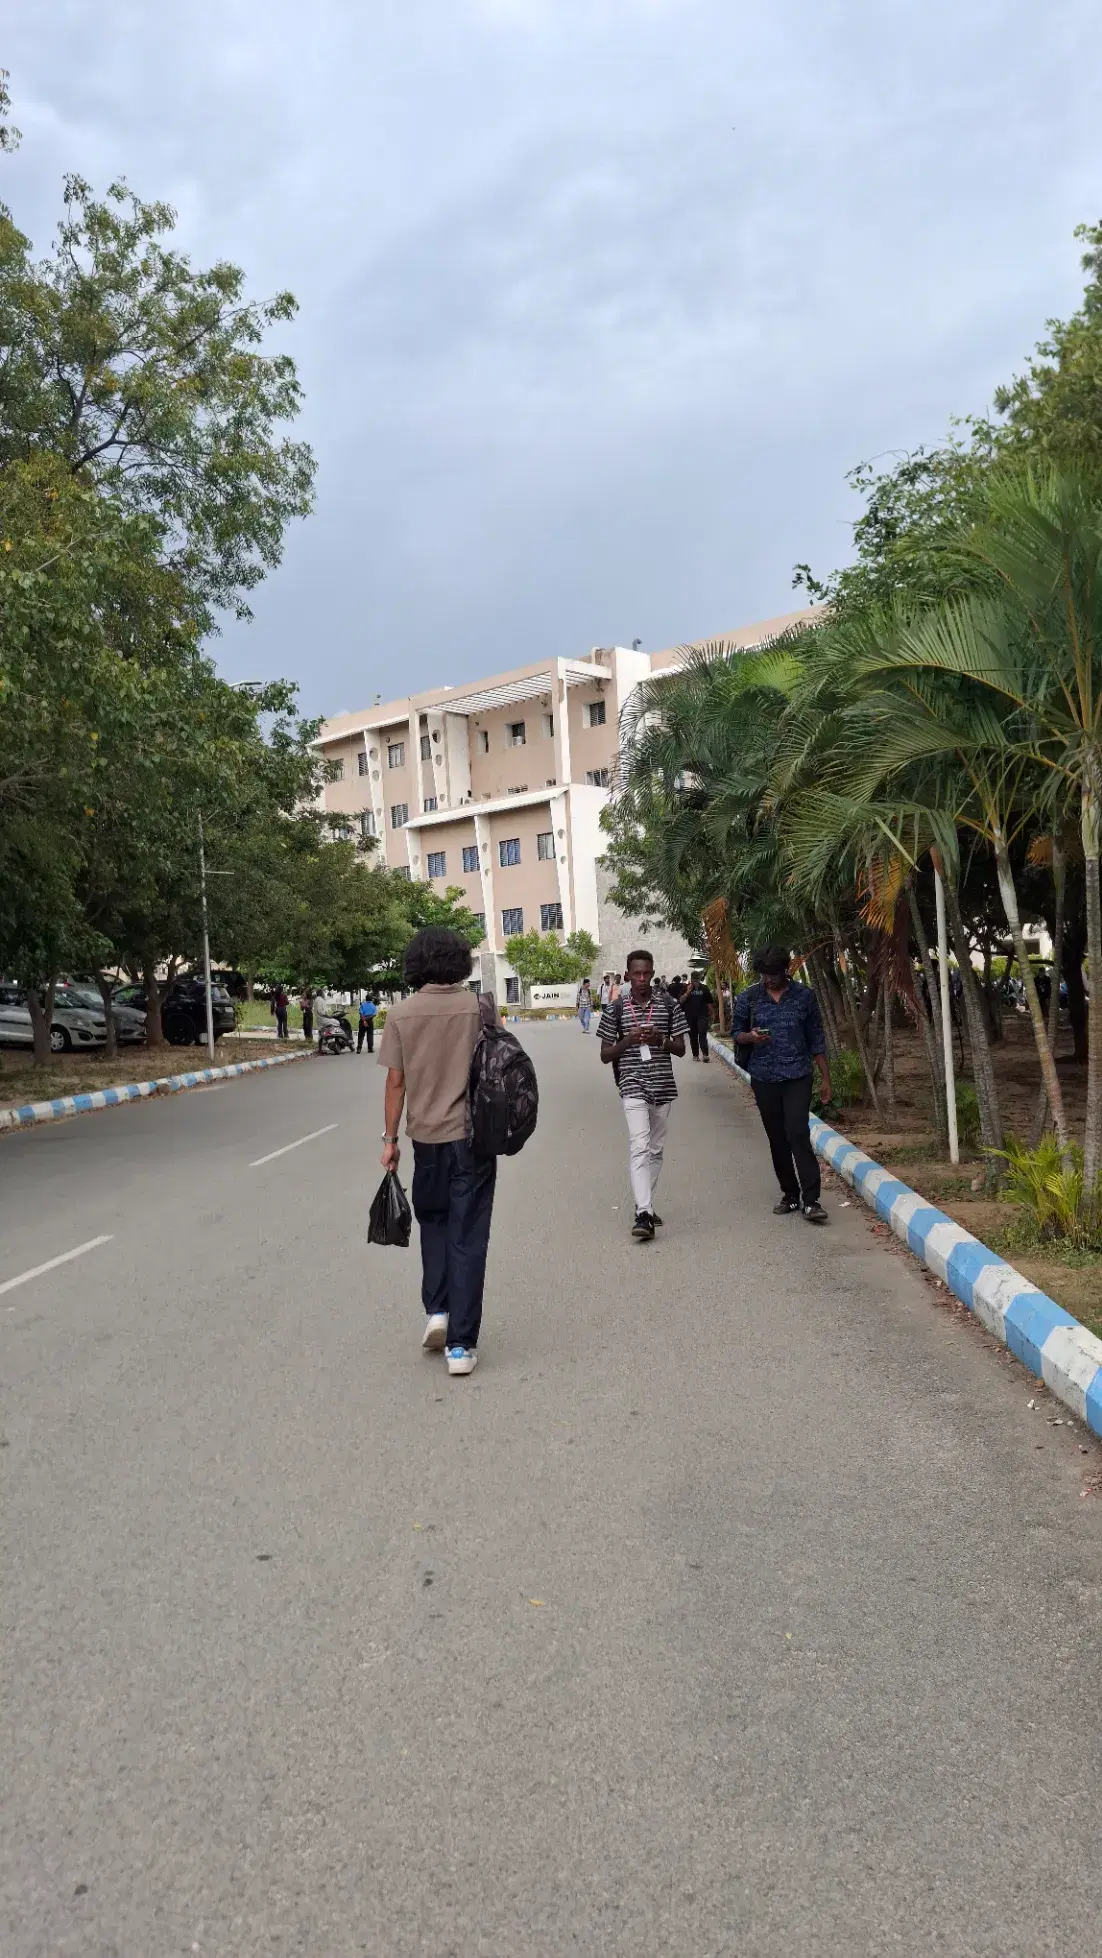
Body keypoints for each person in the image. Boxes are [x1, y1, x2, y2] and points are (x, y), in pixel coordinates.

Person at [378, 928, 494, 1377]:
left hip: (425, 1140)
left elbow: (395, 1082)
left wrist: (389, 1142)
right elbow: (495, 1066)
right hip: (473, 1138)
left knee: (436, 1225)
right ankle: (461, 1347)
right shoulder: (479, 1008)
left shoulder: (401, 1015)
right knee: (469, 1234)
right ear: (459, 962)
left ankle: (438, 1312)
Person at [732, 947, 831, 1224]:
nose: (769, 980)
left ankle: (811, 1201)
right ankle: (790, 1194)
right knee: (777, 1138)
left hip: (798, 1075)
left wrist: (825, 1078)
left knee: (798, 1132)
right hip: (764, 1078)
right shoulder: (749, 998)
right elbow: (735, 1033)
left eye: (773, 974)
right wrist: (750, 1038)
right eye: (764, 975)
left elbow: (817, 1039)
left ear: (785, 971)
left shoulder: (804, 997)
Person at [598, 948, 687, 1241]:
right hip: (632, 1084)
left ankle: (643, 1200)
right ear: (627, 975)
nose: (642, 978)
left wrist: (659, 1040)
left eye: (646, 973)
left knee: (656, 1149)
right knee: (639, 1145)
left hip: (662, 1085)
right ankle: (644, 1214)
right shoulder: (616, 1009)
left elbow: (681, 1048)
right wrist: (629, 1040)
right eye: (636, 973)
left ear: (652, 972)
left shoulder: (669, 1005)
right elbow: (605, 1055)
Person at [683, 973, 713, 1061]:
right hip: (690, 1016)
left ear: (700, 979)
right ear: (691, 979)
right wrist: (687, 992)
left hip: (702, 1015)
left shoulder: (704, 988)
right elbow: (680, 1001)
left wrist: (712, 1013)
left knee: (702, 1034)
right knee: (693, 1036)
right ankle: (695, 1055)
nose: (696, 981)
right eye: (694, 979)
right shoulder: (685, 987)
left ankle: (705, 1055)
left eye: (697, 979)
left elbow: (709, 1002)